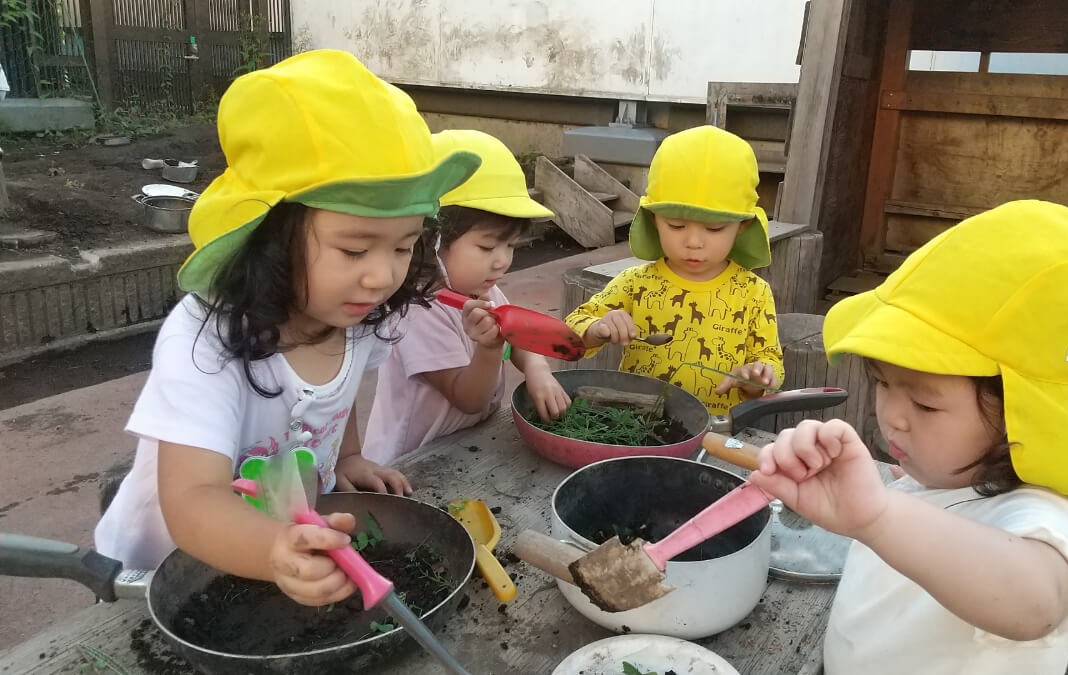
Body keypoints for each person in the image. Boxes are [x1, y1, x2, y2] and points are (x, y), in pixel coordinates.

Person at [93, 50, 481, 608]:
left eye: (404, 246)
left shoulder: (357, 316)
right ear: (270, 235)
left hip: (281, 559)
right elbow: (194, 498)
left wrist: (346, 459)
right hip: (161, 573)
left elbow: (340, 397)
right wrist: (273, 549)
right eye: (353, 248)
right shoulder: (206, 339)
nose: (381, 276)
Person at [750, 200, 1068, 674]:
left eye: (926, 403)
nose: (894, 418)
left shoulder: (1041, 514)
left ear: (1029, 414)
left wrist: (878, 514)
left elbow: (1035, 603)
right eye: (882, 382)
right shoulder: (943, 478)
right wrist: (907, 486)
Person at [363, 129, 570, 463]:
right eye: (487, 246)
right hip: (414, 462)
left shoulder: (482, 289)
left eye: (510, 245)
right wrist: (489, 351)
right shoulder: (416, 312)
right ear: (431, 239)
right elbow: (468, 397)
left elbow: (516, 339)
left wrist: (537, 368)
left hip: (465, 446)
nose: (502, 259)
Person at [564, 125, 783, 414]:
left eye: (714, 228)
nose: (693, 242)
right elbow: (570, 329)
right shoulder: (636, 284)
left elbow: (770, 362)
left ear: (742, 227)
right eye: (676, 226)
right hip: (635, 426)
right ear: (654, 220)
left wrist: (756, 380)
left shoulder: (753, 294)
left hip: (715, 430)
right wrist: (598, 329)